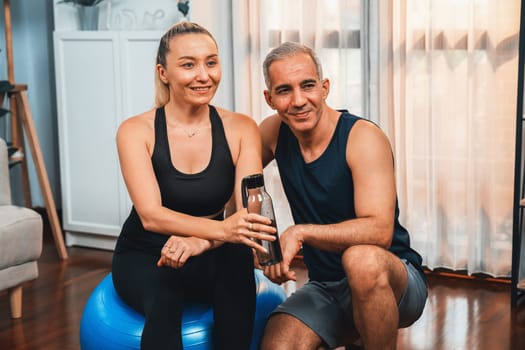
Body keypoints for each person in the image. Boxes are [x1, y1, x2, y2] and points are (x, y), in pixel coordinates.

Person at [111, 21, 277, 350]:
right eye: (189, 64)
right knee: (164, 295)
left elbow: (246, 215)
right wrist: (219, 231)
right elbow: (151, 216)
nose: (204, 75)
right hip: (148, 253)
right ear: (163, 72)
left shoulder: (241, 128)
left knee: (236, 266)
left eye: (211, 62)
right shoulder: (135, 131)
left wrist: (201, 241)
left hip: (214, 250)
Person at [258, 42, 428, 350]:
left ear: (324, 87)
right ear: (270, 99)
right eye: (284, 91)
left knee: (361, 260)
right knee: (278, 344)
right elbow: (237, 183)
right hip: (326, 286)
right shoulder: (273, 133)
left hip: (393, 279)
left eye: (307, 86)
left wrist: (301, 232)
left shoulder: (362, 137)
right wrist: (264, 249)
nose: (298, 100)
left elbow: (379, 231)